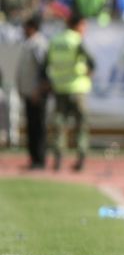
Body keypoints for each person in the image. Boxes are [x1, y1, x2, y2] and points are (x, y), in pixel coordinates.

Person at [44, 12, 94, 172]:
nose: (84, 28)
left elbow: (46, 64)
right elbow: (91, 62)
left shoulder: (55, 40)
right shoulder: (76, 40)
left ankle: (58, 158)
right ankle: (81, 158)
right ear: (77, 25)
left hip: (59, 88)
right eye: (83, 25)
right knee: (81, 124)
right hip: (77, 88)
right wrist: (88, 73)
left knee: (59, 124)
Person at [16, 15, 49, 170]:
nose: (23, 30)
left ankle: (40, 160)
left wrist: (39, 89)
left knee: (38, 126)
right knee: (31, 126)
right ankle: (33, 158)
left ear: (32, 27)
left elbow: (44, 68)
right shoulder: (28, 43)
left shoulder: (39, 44)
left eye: (26, 27)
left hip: (37, 93)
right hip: (29, 92)